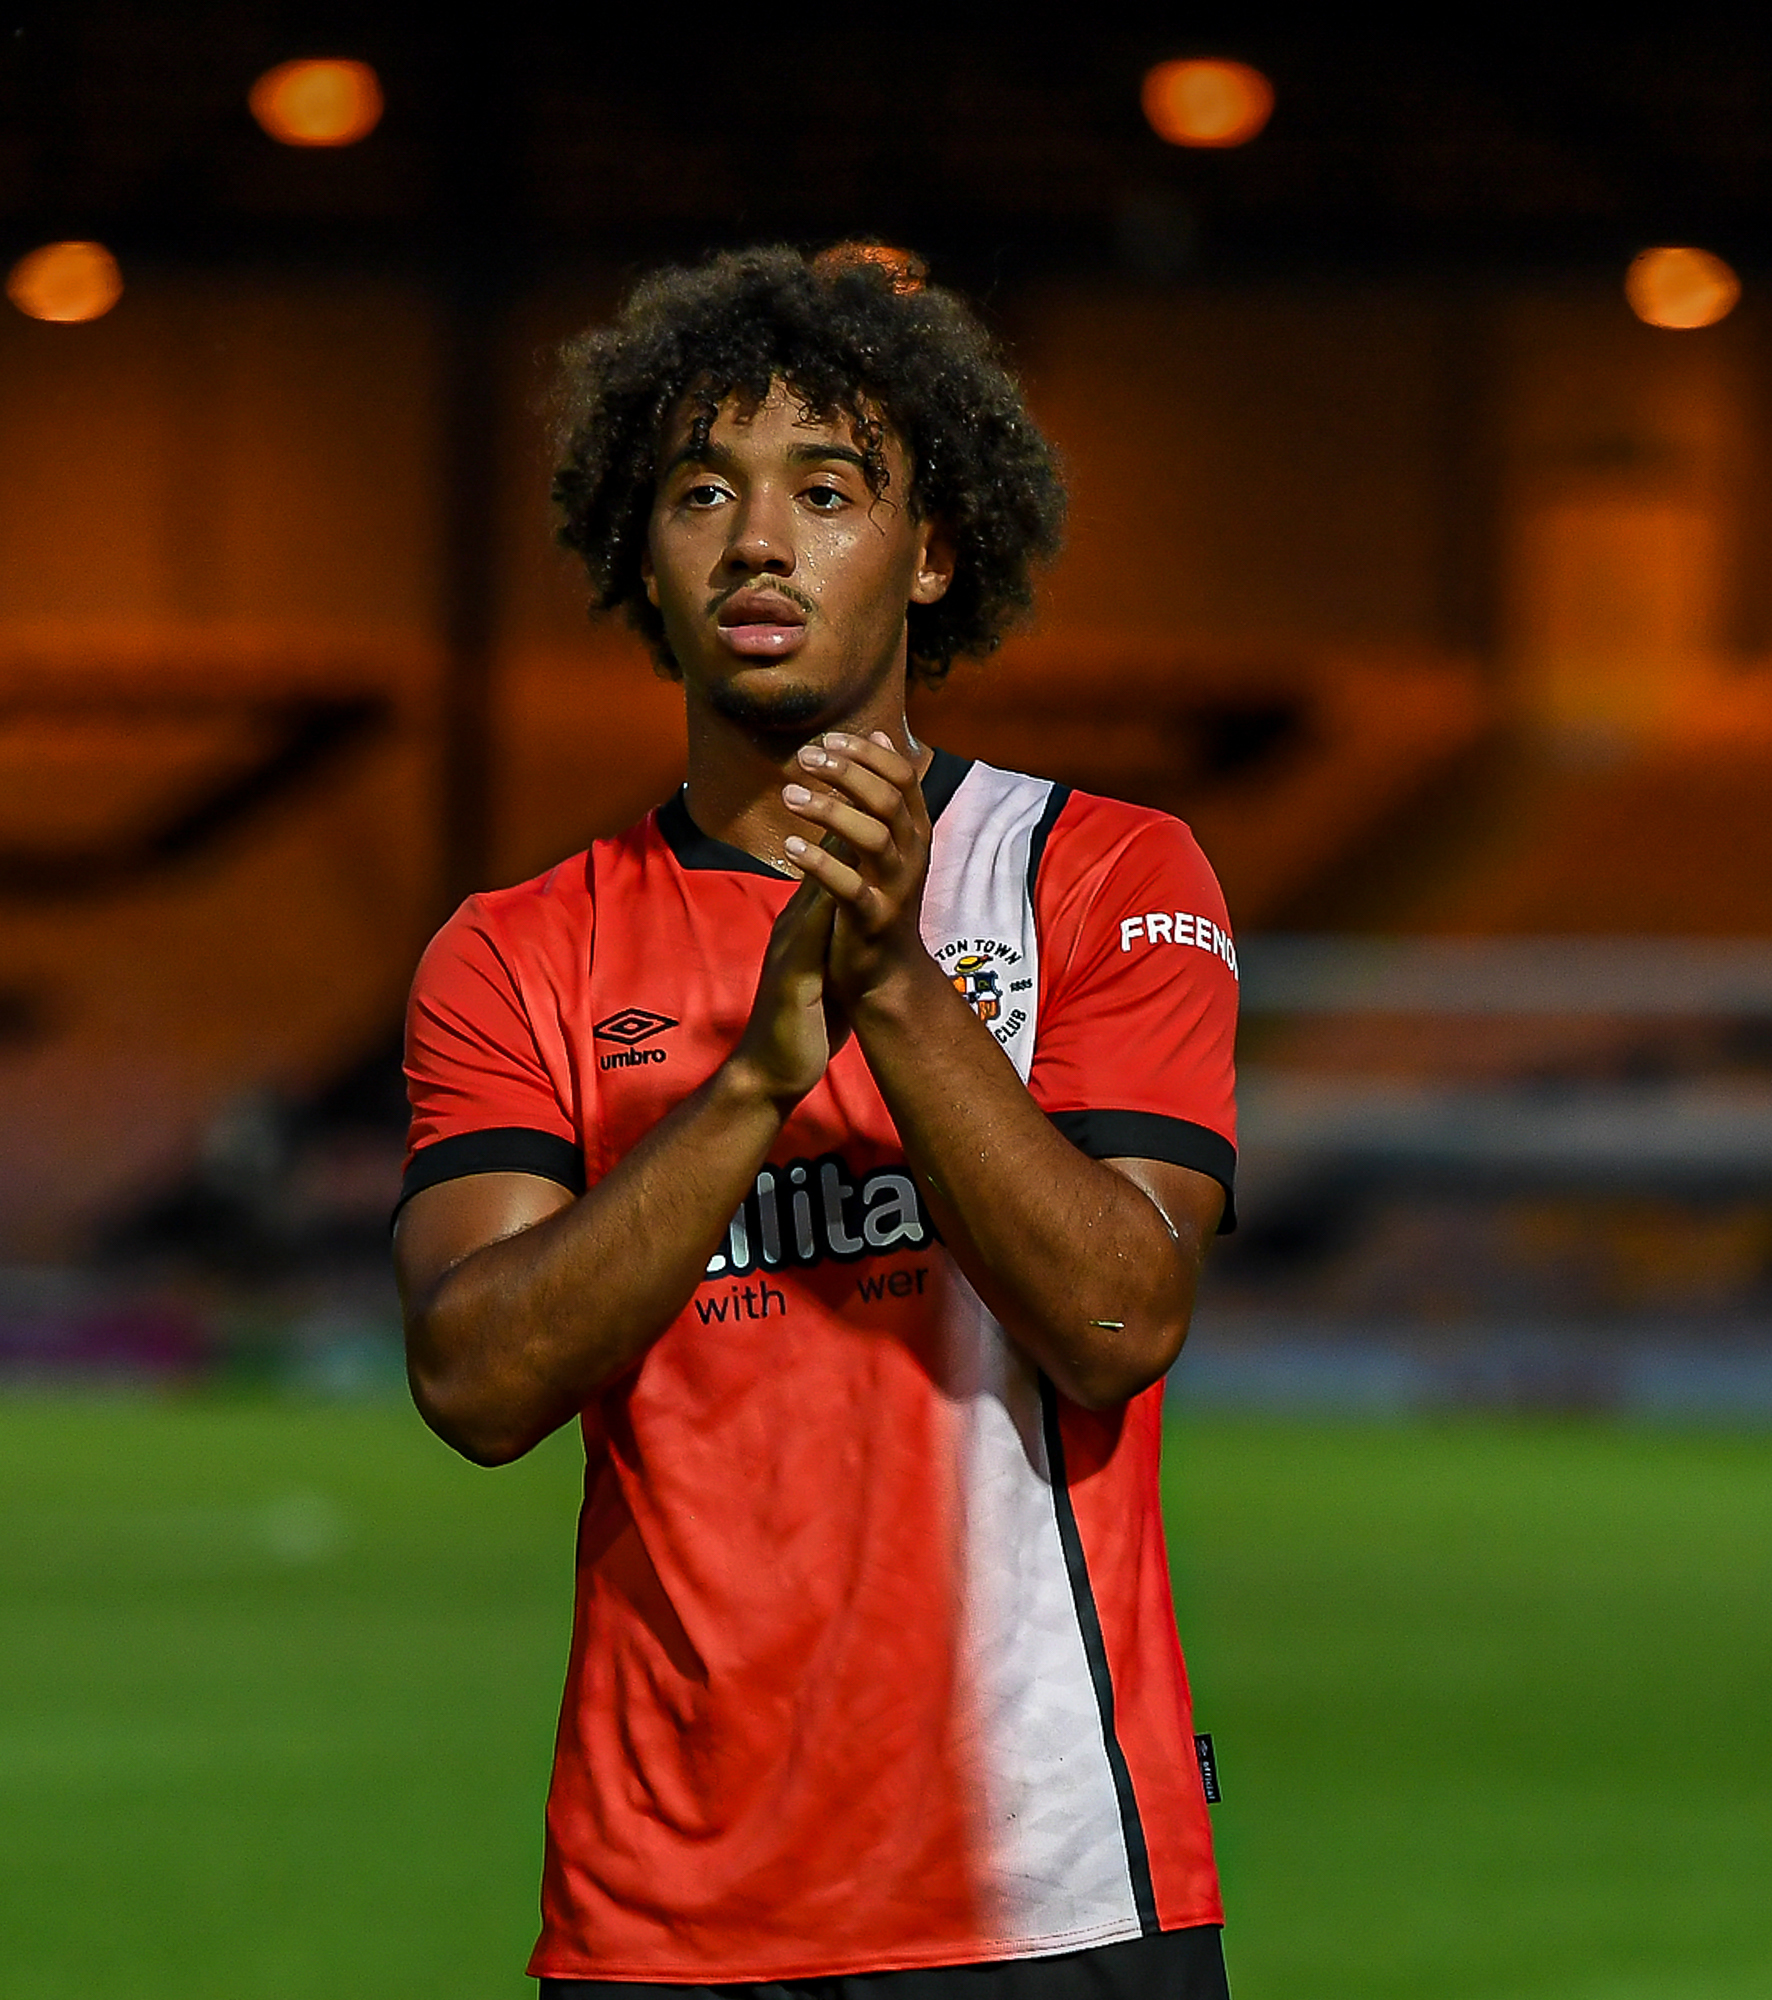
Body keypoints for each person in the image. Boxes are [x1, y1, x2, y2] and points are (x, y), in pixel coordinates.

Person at [393, 243, 1239, 1998]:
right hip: (665, 1921)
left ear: (931, 553)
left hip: (1046, 1893)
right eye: (703, 489)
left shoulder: (1103, 874)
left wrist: (898, 994)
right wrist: (760, 1078)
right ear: (646, 548)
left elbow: (1117, 1318)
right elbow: (474, 1384)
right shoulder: (517, 951)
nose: (760, 541)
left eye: (829, 490)